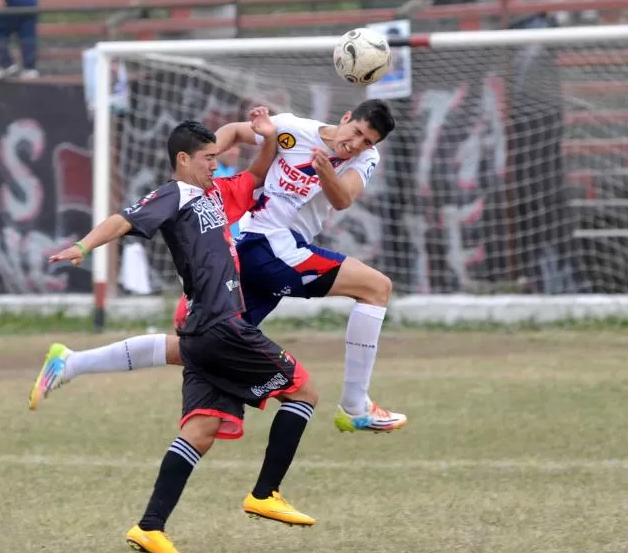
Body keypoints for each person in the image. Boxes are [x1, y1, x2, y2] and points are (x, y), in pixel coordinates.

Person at [30, 100, 406, 433]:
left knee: (190, 348)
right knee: (376, 287)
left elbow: (342, 199)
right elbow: (235, 132)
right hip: (269, 245)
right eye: (356, 132)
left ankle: (72, 363)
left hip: (263, 256)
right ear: (345, 118)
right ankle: (356, 407)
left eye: (367, 142)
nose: (356, 144)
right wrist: (208, 165)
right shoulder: (295, 129)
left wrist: (325, 169)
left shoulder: (363, 159)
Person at [46, 112, 318, 553]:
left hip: (203, 332)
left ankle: (150, 527)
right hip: (220, 325)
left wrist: (268, 138)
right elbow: (122, 219)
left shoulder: (217, 193)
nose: (217, 164)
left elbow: (254, 175)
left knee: (202, 429)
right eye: (210, 158)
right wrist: (82, 247)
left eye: (219, 156)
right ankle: (266, 494)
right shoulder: (174, 196)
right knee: (304, 391)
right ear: (184, 158)